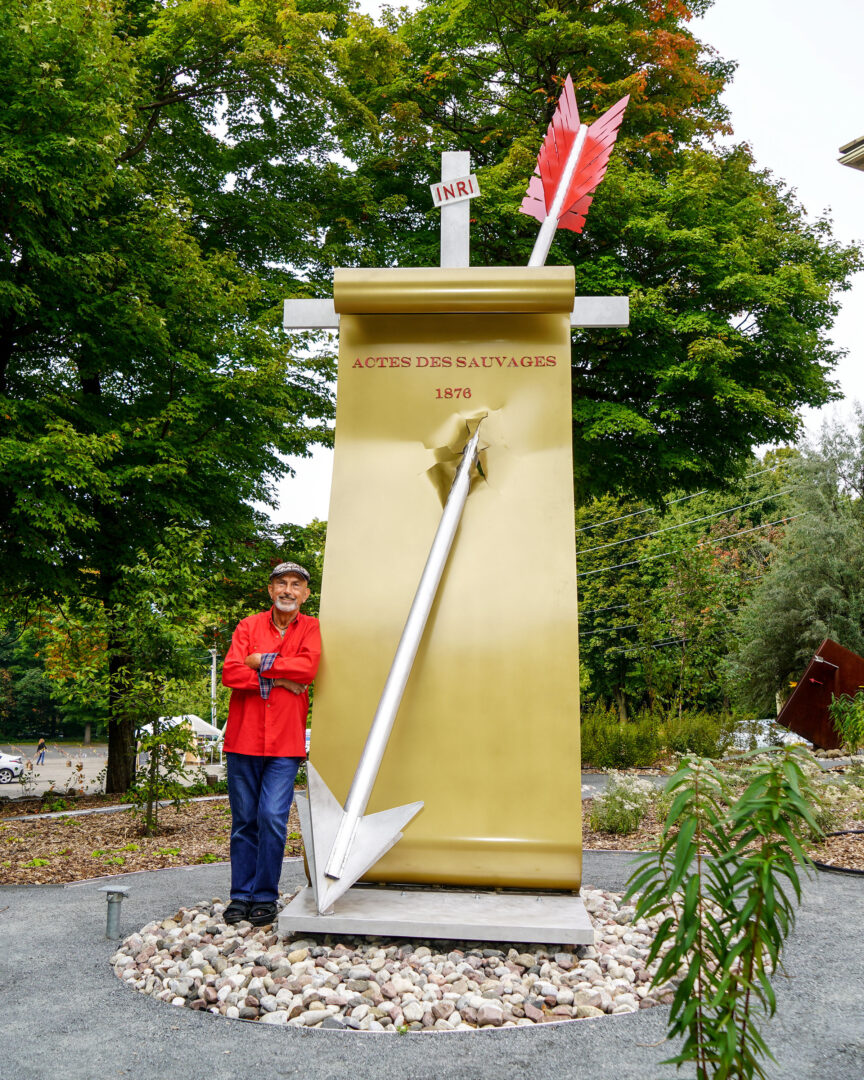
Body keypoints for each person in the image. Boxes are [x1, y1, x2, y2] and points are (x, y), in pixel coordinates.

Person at [221, 561, 321, 927]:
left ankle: (264, 895)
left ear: (305, 594)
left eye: (296, 585)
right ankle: (240, 896)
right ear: (270, 590)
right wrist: (279, 680)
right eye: (281, 583)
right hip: (243, 740)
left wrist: (259, 662)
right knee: (244, 821)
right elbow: (232, 672)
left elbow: (308, 670)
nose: (288, 590)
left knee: (272, 818)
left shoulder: (312, 628)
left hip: (285, 743)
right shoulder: (248, 626)